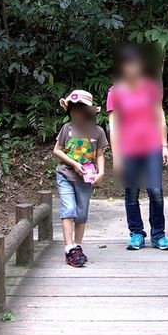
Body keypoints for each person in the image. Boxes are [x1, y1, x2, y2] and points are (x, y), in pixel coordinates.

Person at [106, 44, 168, 250]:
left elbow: (159, 115)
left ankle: (159, 234)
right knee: (131, 192)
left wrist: (164, 145)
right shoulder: (115, 92)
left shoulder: (150, 87)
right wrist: (116, 157)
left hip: (151, 145)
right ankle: (136, 233)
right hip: (128, 149)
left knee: (155, 190)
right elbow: (113, 126)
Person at [51, 89, 107, 267]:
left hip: (85, 179)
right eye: (73, 110)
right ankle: (69, 248)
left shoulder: (97, 132)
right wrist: (74, 164)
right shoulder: (66, 129)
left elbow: (99, 155)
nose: (76, 113)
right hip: (65, 175)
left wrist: (101, 172)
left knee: (82, 212)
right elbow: (57, 150)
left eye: (80, 109)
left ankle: (77, 246)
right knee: (69, 209)